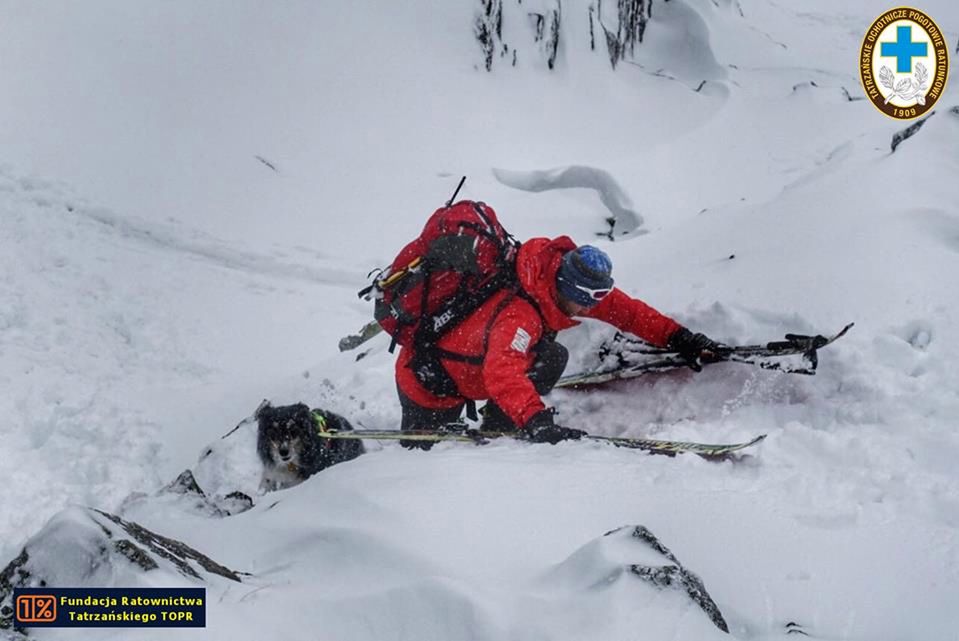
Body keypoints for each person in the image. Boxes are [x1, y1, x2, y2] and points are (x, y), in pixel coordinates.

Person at [395, 237, 721, 445]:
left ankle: (501, 425)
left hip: (470, 365)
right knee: (427, 463)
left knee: (551, 356)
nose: (590, 307)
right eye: (585, 299)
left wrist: (681, 338)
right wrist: (536, 419)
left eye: (596, 297)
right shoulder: (519, 316)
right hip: (430, 383)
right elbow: (502, 372)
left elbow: (630, 313)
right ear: (567, 288)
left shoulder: (557, 281)